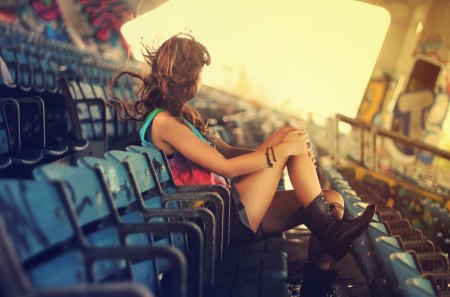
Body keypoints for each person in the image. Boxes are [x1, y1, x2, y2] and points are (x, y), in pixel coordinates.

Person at [109, 33, 375, 297]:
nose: (202, 79)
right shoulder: (164, 123)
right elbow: (225, 167)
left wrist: (286, 156)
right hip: (221, 220)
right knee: (287, 134)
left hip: (231, 208)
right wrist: (283, 150)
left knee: (332, 200)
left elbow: (230, 153)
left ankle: (316, 286)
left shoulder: (184, 117)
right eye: (200, 73)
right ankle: (333, 233)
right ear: (186, 76)